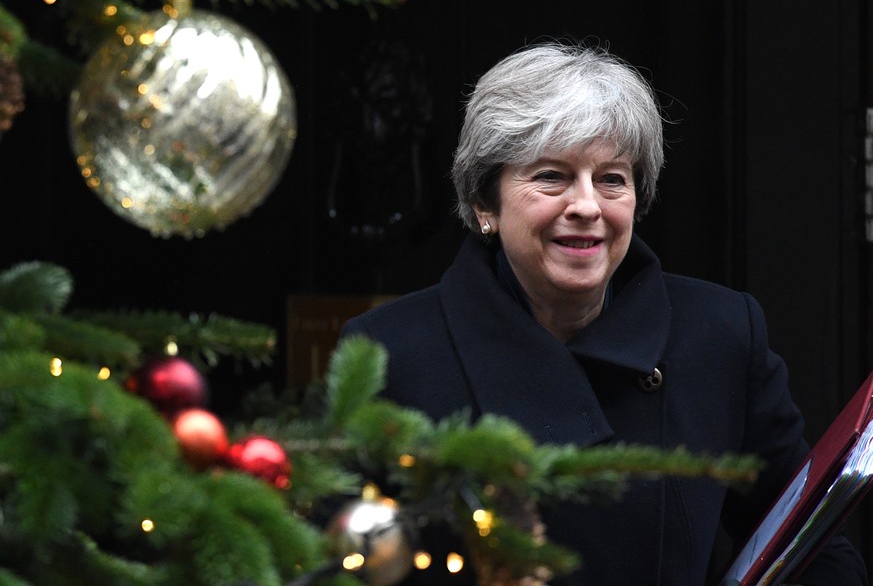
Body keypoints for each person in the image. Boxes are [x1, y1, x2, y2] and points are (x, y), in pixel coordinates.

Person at [340, 42, 868, 586]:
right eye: (551, 175)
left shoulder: (721, 332)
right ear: (484, 203)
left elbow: (810, 546)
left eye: (612, 178)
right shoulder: (389, 354)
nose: (588, 206)